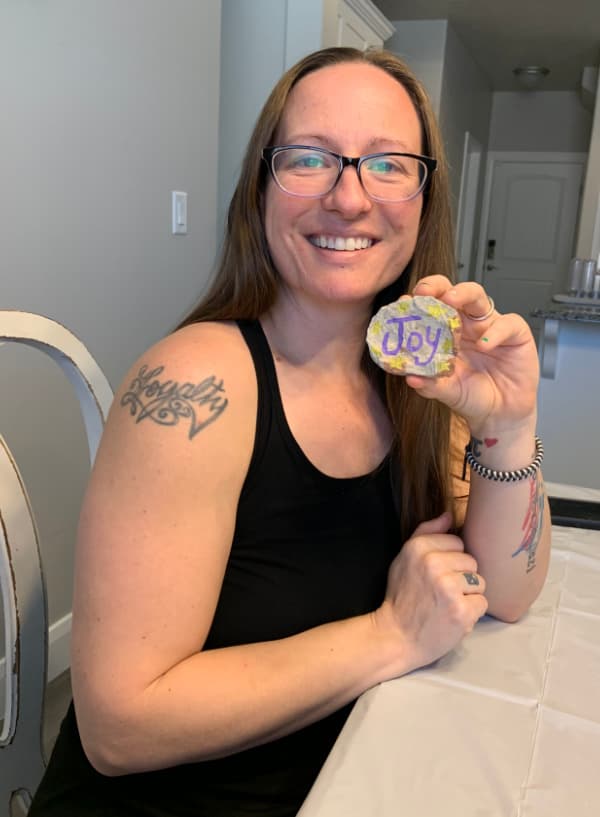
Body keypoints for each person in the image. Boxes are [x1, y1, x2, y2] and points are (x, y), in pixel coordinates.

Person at [30, 46, 551, 817]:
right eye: (310, 158)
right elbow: (118, 724)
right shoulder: (196, 384)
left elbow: (506, 592)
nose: (349, 198)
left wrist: (508, 423)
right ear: (261, 188)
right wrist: (391, 634)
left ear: (424, 195)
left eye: (388, 163)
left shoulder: (422, 375)